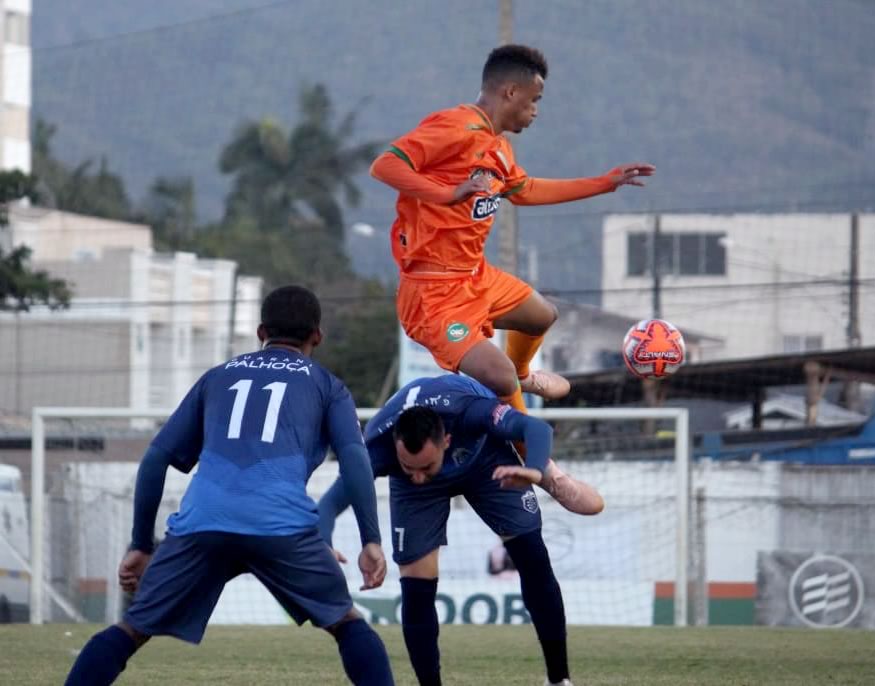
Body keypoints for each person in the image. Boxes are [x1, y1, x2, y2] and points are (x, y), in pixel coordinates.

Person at [369, 43, 653, 515]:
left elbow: (526, 190)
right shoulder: (454, 126)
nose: (537, 110)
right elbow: (386, 166)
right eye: (535, 99)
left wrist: (604, 182)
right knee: (495, 373)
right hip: (433, 292)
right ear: (510, 90)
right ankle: (547, 471)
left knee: (541, 314)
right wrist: (446, 193)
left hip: (474, 277)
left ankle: (524, 375)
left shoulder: (498, 149)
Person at [64, 286, 395, 686]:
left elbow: (155, 458)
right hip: (281, 526)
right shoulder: (327, 385)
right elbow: (356, 459)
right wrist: (370, 539)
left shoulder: (217, 377)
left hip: (203, 523)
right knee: (346, 623)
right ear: (317, 336)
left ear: (260, 332)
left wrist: (140, 544)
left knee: (132, 629)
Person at [318, 374, 578, 686]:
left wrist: (534, 470)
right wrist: (324, 542)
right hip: (420, 497)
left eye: (425, 466)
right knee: (416, 584)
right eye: (407, 466)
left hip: (486, 459)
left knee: (533, 559)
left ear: (446, 441)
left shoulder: (471, 411)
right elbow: (330, 504)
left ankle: (559, 679)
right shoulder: (378, 450)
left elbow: (535, 428)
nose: (416, 475)